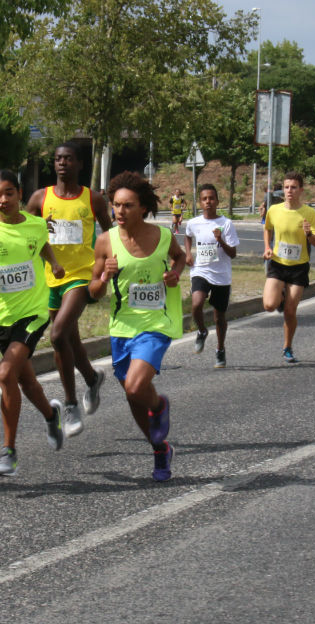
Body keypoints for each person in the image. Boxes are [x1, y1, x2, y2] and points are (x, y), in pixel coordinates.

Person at [0, 169, 66, 476]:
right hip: (0, 318)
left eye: (8, 193)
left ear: (20, 194)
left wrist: (55, 263)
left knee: (6, 373)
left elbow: (40, 244)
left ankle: (8, 451)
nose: (2, 199)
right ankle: (51, 415)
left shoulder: (35, 225)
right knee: (24, 380)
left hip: (33, 313)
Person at [89, 171, 186, 482]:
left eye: (128, 205)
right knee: (133, 395)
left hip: (156, 324)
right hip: (121, 328)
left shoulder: (163, 237)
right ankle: (160, 449)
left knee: (134, 386)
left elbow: (180, 258)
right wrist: (104, 275)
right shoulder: (105, 241)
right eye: (116, 205)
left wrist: (175, 273)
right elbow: (93, 291)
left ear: (143, 208)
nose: (120, 211)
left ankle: (159, 407)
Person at [26, 142, 111, 439]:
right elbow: (25, 233)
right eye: (58, 159)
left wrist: (108, 271)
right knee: (69, 341)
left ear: (79, 165)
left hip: (81, 276)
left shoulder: (93, 199)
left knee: (59, 333)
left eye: (69, 159)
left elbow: (110, 235)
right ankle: (92, 378)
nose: (62, 163)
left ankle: (71, 403)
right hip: (52, 278)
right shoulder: (40, 198)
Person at [259, 171, 315, 364]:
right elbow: (267, 229)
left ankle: (287, 347)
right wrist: (268, 248)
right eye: (286, 187)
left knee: (290, 311)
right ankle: (282, 295)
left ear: (301, 190)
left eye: (294, 187)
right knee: (269, 305)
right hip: (278, 264)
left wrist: (309, 233)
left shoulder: (309, 213)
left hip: (299, 267)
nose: (289, 191)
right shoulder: (274, 210)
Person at [184, 184, 239, 368]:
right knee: (196, 304)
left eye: (211, 198)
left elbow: (233, 254)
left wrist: (220, 240)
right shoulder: (194, 223)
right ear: (200, 202)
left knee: (219, 317)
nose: (208, 202)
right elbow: (188, 235)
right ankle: (201, 331)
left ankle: (220, 349)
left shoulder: (226, 224)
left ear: (217, 201)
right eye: (205, 199)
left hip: (221, 276)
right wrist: (188, 253)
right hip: (201, 270)